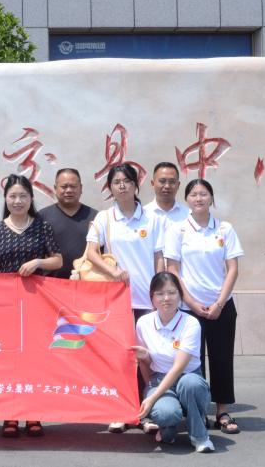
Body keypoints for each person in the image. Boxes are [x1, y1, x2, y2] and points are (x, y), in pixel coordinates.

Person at [83, 163, 166, 434]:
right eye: (116, 182)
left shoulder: (152, 219)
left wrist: (159, 293)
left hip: (147, 300)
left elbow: (159, 258)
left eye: (126, 181)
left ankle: (146, 411)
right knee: (119, 356)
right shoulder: (104, 218)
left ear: (135, 185)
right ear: (110, 187)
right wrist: (114, 271)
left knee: (146, 357)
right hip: (117, 300)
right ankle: (120, 411)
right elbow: (91, 252)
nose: (122, 186)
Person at [0, 174, 62, 438]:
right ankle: (10, 414)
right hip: (6, 306)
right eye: (13, 196)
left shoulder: (42, 227)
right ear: (5, 199)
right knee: (8, 362)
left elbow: (58, 261)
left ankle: (33, 413)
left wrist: (38, 262)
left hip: (37, 305)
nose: (17, 201)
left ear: (31, 199)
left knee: (35, 360)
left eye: (23, 196)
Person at [164, 178, 243, 435]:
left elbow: (233, 269)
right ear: (186, 199)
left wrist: (219, 302)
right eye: (194, 194)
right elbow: (172, 269)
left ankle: (222, 411)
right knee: (192, 362)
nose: (199, 198)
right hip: (190, 308)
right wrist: (191, 302)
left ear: (211, 198)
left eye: (204, 194)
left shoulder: (224, 229)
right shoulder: (177, 229)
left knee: (222, 359)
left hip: (221, 306)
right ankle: (197, 411)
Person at [132, 271, 215, 453]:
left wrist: (151, 398)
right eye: (160, 294)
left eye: (172, 292)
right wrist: (149, 384)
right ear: (152, 298)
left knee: (191, 384)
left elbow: (178, 368)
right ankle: (168, 427)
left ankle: (200, 436)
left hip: (187, 377)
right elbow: (145, 364)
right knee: (166, 413)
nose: (166, 298)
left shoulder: (191, 323)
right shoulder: (143, 323)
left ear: (180, 296)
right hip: (158, 379)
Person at [37, 168, 97, 279]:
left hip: (86, 283)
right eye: (64, 187)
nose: (69, 190)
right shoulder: (42, 217)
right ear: (55, 188)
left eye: (73, 186)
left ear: (81, 188)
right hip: (51, 284)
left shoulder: (95, 217)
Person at [144, 162, 190, 234]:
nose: (167, 186)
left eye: (172, 182)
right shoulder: (143, 214)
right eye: (162, 181)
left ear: (178, 185)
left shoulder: (189, 216)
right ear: (153, 184)